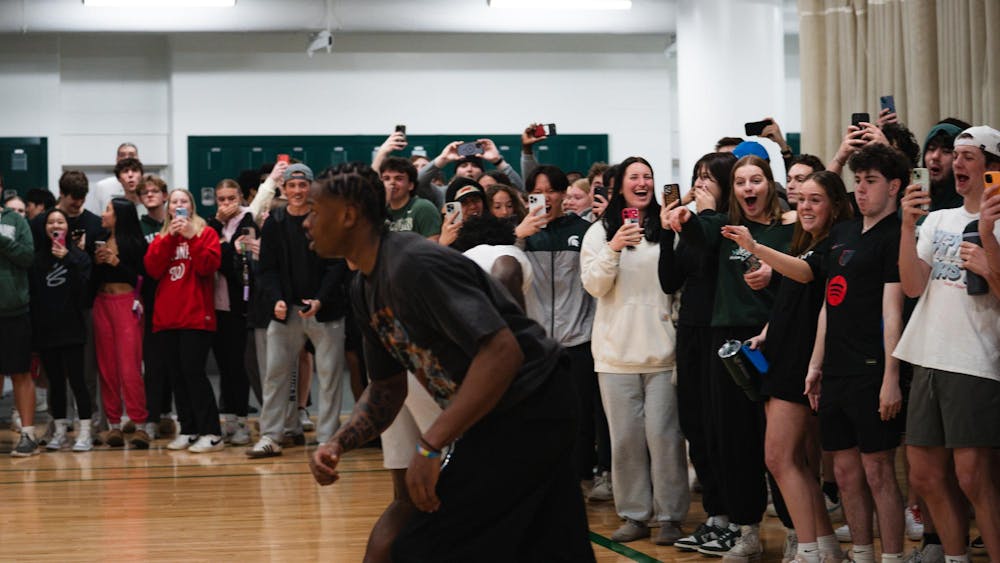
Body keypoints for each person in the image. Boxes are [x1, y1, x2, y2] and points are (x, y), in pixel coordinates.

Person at [305, 162, 595, 563]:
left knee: (424, 544)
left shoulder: (414, 264)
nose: (307, 222)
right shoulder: (363, 288)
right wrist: (339, 442)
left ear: (348, 215)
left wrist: (429, 446)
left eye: (315, 211)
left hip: (533, 405)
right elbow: (387, 387)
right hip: (506, 412)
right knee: (552, 544)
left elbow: (503, 351)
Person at [666, 154, 796, 561]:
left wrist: (774, 272)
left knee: (780, 446)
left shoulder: (788, 228)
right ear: (733, 190)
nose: (748, 188)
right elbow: (694, 239)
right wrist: (682, 216)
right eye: (740, 182)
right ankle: (747, 530)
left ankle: (797, 531)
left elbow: (808, 274)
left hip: (775, 339)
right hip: (728, 341)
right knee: (734, 440)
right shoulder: (721, 228)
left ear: (769, 184)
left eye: (756, 180)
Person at [721, 170, 854, 563]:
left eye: (816, 200)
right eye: (802, 199)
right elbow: (793, 297)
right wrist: (767, 331)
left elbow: (805, 275)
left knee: (779, 458)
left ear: (834, 206)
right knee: (796, 462)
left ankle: (808, 550)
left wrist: (754, 247)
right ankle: (825, 547)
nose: (806, 207)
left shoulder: (832, 246)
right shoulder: (807, 243)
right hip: (783, 355)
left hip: (802, 362)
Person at [896, 125, 1000, 563]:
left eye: (968, 156)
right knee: (923, 474)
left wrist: (989, 252)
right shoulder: (938, 220)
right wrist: (907, 226)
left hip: (975, 359)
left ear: (992, 167)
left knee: (973, 477)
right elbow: (912, 286)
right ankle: (955, 557)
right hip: (926, 354)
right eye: (955, 155)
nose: (956, 163)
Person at [803, 144, 909, 563]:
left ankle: (893, 557)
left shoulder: (896, 236)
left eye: (871, 181)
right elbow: (829, 303)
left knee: (878, 470)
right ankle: (862, 554)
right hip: (836, 370)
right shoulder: (842, 233)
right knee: (845, 474)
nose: (861, 190)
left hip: (873, 370)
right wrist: (816, 364)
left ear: (894, 186)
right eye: (858, 181)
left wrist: (891, 377)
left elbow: (892, 311)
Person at [581, 156, 690, 544]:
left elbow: (678, 283)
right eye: (634, 177)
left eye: (648, 176)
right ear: (620, 187)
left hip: (662, 352)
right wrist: (613, 247)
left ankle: (671, 515)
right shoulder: (598, 232)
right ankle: (634, 514)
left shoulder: (668, 227)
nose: (642, 183)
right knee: (625, 441)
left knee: (665, 438)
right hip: (614, 356)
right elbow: (594, 285)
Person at [659, 151, 738, 552]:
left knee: (719, 425)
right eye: (697, 176)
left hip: (719, 330)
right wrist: (666, 231)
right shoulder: (692, 226)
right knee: (694, 423)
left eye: (710, 177)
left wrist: (702, 216)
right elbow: (669, 280)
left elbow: (710, 256)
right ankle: (715, 515)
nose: (701, 183)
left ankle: (735, 517)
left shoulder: (728, 224)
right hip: (689, 328)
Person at [516, 165, 608, 502]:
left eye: (551, 191)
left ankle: (582, 475)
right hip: (537, 343)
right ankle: (544, 477)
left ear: (562, 194)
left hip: (579, 339)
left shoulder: (584, 231)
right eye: (537, 192)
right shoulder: (522, 235)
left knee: (581, 415)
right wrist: (518, 235)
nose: (545, 198)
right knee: (540, 415)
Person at [248, 163, 349, 458]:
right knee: (275, 374)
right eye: (291, 185)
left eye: (302, 185)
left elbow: (337, 265)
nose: (297, 190)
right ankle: (271, 435)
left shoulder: (325, 219)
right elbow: (267, 269)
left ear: (311, 188)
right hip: (286, 311)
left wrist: (320, 299)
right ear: (284, 189)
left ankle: (327, 438)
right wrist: (276, 299)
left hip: (324, 310)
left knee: (329, 376)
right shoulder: (275, 222)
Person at [144, 189, 223, 453]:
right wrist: (170, 238)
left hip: (195, 316)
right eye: (174, 201)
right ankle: (188, 429)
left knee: (194, 373)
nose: (179, 205)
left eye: (183, 201)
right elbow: (153, 269)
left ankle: (212, 432)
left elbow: (207, 266)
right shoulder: (161, 238)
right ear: (169, 208)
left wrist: (191, 237)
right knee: (177, 377)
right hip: (167, 318)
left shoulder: (206, 233)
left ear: (191, 206)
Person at [29, 208, 94, 451]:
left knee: (78, 381)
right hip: (47, 330)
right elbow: (35, 296)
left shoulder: (79, 257)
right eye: (51, 222)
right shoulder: (37, 259)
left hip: (73, 328)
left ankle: (85, 432)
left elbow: (84, 292)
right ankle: (59, 431)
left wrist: (68, 259)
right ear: (45, 228)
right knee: (55, 383)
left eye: (60, 221)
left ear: (68, 227)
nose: (56, 226)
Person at [92, 197, 149, 449]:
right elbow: (92, 280)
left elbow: (143, 279)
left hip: (127, 303)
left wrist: (116, 262)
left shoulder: (135, 244)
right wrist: (95, 263)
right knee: (107, 367)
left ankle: (140, 424)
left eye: (108, 210)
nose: (103, 214)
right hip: (101, 303)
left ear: (119, 216)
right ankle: (113, 424)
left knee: (129, 367)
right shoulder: (100, 240)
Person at [207, 179, 259, 446]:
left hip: (240, 306)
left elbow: (234, 265)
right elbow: (209, 257)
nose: (226, 204)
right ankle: (227, 419)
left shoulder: (248, 222)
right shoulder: (213, 224)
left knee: (239, 366)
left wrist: (223, 249)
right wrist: (220, 235)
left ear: (240, 198)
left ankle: (242, 422)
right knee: (223, 366)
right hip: (215, 305)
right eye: (221, 199)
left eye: (231, 198)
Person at [137, 174, 175, 439]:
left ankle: (167, 413)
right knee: (152, 362)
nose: (149, 195)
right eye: (145, 192)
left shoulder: (176, 223)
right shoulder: (139, 227)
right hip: (150, 298)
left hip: (177, 296)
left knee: (175, 360)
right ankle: (151, 416)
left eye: (154, 191)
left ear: (165, 195)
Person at [0, 201, 38, 456]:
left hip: (14, 310)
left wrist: (2, 241)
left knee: (21, 373)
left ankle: (28, 434)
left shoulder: (16, 220)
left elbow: (27, 257)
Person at [381, 157, 441, 241]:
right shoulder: (380, 210)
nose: (392, 182)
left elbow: (433, 246)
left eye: (398, 178)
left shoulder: (423, 208)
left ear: (410, 185)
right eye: (386, 178)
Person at [86, 142, 138, 215]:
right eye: (122, 155)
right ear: (117, 159)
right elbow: (96, 215)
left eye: (131, 155)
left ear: (138, 159)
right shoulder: (103, 186)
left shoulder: (145, 185)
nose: (127, 158)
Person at [438, 178, 488, 248]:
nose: (473, 206)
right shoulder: (446, 235)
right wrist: (443, 243)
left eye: (476, 200)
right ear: (453, 208)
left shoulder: (496, 230)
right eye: (464, 202)